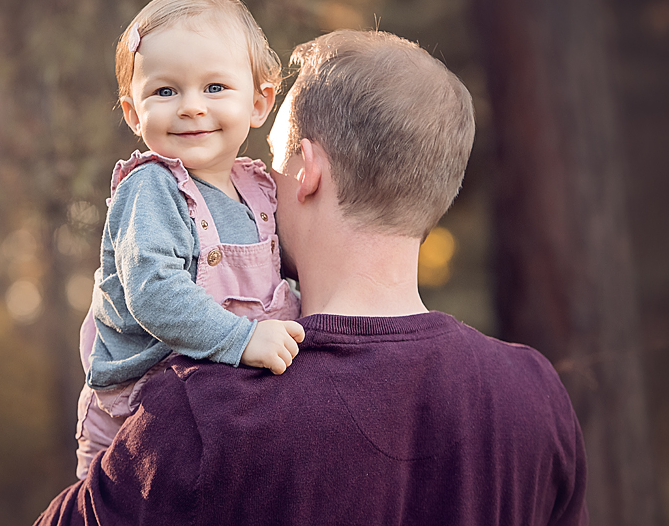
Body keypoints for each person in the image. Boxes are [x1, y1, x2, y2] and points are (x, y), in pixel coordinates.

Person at [37, 29, 588, 525]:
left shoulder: (206, 409)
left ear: (307, 171)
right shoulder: (536, 395)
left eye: (271, 164)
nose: (260, 187)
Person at [73, 0, 304, 480]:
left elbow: (284, 279)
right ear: (134, 114)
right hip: (135, 408)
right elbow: (154, 291)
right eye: (165, 91)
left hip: (212, 396)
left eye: (214, 88)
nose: (191, 106)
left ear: (261, 102)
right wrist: (242, 340)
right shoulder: (152, 188)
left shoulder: (260, 189)